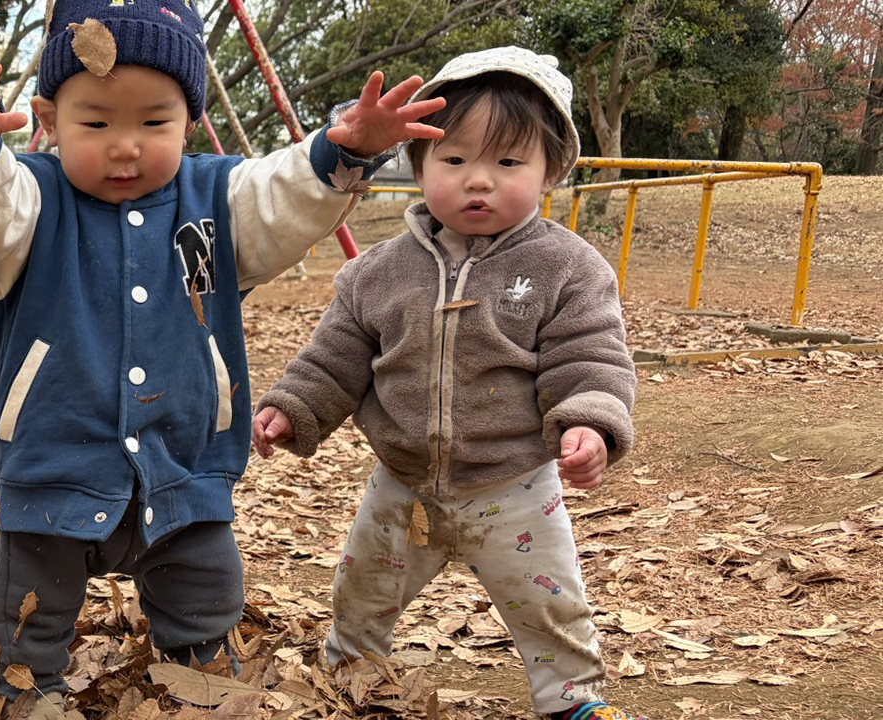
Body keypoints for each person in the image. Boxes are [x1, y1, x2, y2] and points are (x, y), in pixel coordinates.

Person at [0, 1, 444, 716]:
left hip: (185, 458)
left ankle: (202, 683)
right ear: (47, 116)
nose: (125, 145)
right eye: (95, 123)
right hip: (56, 458)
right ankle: (27, 690)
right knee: (30, 612)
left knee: (204, 596)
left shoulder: (215, 198)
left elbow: (283, 196)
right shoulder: (31, 202)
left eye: (153, 122)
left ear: (189, 120)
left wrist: (343, 152)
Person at [251, 47, 642, 720]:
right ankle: (351, 676)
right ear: (420, 164)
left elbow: (589, 354)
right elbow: (335, 357)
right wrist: (293, 407)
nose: (478, 182)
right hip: (402, 484)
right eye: (455, 161)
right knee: (364, 591)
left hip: (513, 484)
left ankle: (573, 701)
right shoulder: (378, 271)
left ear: (552, 171)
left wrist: (588, 421)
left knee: (550, 602)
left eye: (508, 163)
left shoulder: (567, 268)